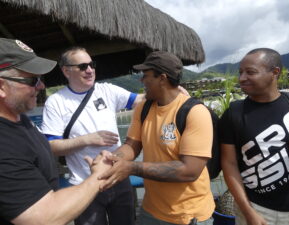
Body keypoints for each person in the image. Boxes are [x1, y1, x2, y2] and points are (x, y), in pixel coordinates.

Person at [0, 38, 112, 225]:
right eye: (32, 80)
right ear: (2, 86)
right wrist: (98, 177)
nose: (41, 86)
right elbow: (43, 216)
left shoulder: (19, 117)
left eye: (41, 79)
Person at [99, 51, 215, 225]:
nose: (141, 81)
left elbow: (190, 171)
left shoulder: (195, 112)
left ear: (162, 78)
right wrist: (112, 159)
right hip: (151, 210)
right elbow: (132, 145)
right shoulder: (143, 108)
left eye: (146, 76)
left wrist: (131, 168)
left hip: (188, 215)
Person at [41, 46, 145, 225]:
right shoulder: (56, 102)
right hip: (84, 184)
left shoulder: (107, 90)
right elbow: (51, 146)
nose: (89, 70)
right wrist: (87, 139)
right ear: (66, 71)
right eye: (82, 67)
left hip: (118, 177)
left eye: (91, 64)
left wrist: (173, 91)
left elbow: (139, 100)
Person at [219, 48, 289, 225]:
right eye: (240, 72)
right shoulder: (234, 113)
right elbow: (229, 164)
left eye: (250, 72)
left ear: (275, 72)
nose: (242, 78)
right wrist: (248, 212)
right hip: (257, 209)